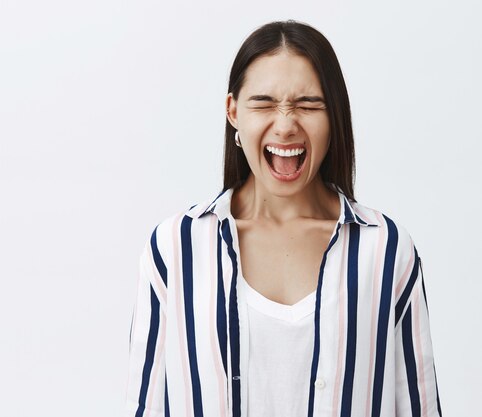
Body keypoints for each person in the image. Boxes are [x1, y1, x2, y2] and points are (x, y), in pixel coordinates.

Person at [124, 20, 442, 417]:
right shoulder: (175, 249)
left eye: (308, 105)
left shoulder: (385, 249)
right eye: (264, 103)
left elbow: (420, 408)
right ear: (233, 112)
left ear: (334, 117)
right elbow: (145, 407)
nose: (287, 124)